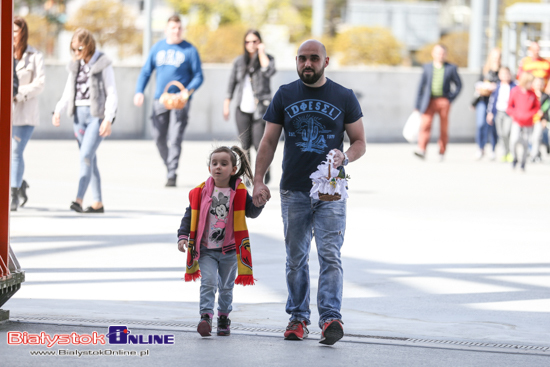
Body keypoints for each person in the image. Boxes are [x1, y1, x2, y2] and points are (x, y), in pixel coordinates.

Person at [252, 40, 366, 345]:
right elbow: (267, 142)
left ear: (326, 61)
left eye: (313, 59)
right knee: (295, 258)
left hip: (331, 190)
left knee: (330, 255)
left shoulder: (344, 96)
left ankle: (330, 317)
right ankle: (298, 318)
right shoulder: (285, 94)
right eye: (302, 59)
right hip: (294, 190)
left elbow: (358, 142)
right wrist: (258, 180)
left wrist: (346, 157)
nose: (307, 64)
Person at [177, 146, 265, 337]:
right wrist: (183, 237)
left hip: (230, 251)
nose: (218, 167)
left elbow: (251, 212)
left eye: (224, 164)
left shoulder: (240, 191)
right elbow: (189, 215)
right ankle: (206, 317)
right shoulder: (200, 192)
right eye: (214, 163)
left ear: (233, 169)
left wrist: (260, 202)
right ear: (209, 168)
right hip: (206, 249)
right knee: (208, 281)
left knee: (226, 287)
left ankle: (223, 317)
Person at [52, 28, 117, 213]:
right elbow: (68, 91)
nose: (76, 53)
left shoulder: (103, 63)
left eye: (79, 49)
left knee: (85, 156)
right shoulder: (75, 64)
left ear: (88, 45)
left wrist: (108, 118)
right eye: (73, 49)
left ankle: (78, 200)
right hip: (78, 116)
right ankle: (98, 203)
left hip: (96, 116)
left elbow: (112, 92)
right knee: (91, 159)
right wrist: (58, 110)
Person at [134, 15, 203, 187]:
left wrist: (187, 92)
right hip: (161, 99)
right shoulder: (158, 48)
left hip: (180, 101)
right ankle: (169, 164)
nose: (177, 31)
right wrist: (139, 91)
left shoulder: (190, 50)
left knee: (175, 137)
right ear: (166, 30)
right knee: (158, 136)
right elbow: (146, 72)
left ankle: (172, 173)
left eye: (179, 28)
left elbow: (199, 76)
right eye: (173, 27)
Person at [224, 30, 276, 184]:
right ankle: (247, 175)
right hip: (242, 108)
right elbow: (231, 83)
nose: (251, 45)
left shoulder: (267, 58)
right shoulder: (239, 61)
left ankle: (265, 170)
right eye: (248, 42)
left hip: (261, 110)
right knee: (244, 145)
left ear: (260, 42)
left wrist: (261, 53)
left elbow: (268, 71)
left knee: (259, 144)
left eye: (254, 41)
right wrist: (226, 103)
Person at [11, 16, 45, 211]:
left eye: (15, 31)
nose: (12, 35)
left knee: (16, 152)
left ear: (22, 33)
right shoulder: (4, 52)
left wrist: (18, 94)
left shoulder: (35, 55)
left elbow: (40, 83)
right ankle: (20, 183)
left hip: (25, 113)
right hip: (6, 113)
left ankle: (13, 194)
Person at [414, 44, 462, 160]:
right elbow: (421, 87)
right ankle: (422, 149)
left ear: (445, 54)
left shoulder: (451, 68)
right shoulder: (427, 67)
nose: (440, 55)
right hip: (428, 101)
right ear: (433, 53)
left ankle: (442, 151)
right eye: (438, 53)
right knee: (425, 125)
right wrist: (417, 105)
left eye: (442, 53)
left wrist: (450, 98)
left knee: (443, 128)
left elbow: (459, 85)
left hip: (443, 101)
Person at [507, 72, 539, 171]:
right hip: (517, 121)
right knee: (513, 140)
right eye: (530, 82)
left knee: (525, 142)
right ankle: (515, 157)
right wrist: (516, 114)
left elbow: (537, 107)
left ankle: (523, 162)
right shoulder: (515, 91)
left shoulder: (532, 94)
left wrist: (530, 114)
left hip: (528, 122)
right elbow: (509, 107)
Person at [473, 48, 500, 160]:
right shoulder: (484, 70)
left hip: (495, 102)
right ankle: (480, 147)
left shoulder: (502, 70)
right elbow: (478, 84)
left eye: (498, 57)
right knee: (480, 124)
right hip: (483, 100)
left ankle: (493, 149)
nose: (496, 59)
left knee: (492, 126)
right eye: (494, 56)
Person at [486, 66, 516, 162]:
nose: (505, 76)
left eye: (507, 74)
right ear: (499, 75)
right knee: (501, 133)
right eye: (503, 74)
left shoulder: (514, 86)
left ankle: (510, 152)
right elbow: (492, 101)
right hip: (499, 112)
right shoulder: (497, 86)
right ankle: (504, 152)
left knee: (507, 132)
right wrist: (490, 113)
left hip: (509, 113)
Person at [529, 77, 550, 162]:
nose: (539, 85)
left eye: (541, 84)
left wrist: (545, 119)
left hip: (539, 120)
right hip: (529, 119)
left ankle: (534, 155)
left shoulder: (546, 96)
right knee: (530, 138)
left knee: (536, 137)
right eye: (537, 83)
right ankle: (536, 152)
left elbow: (547, 109)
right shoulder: (530, 94)